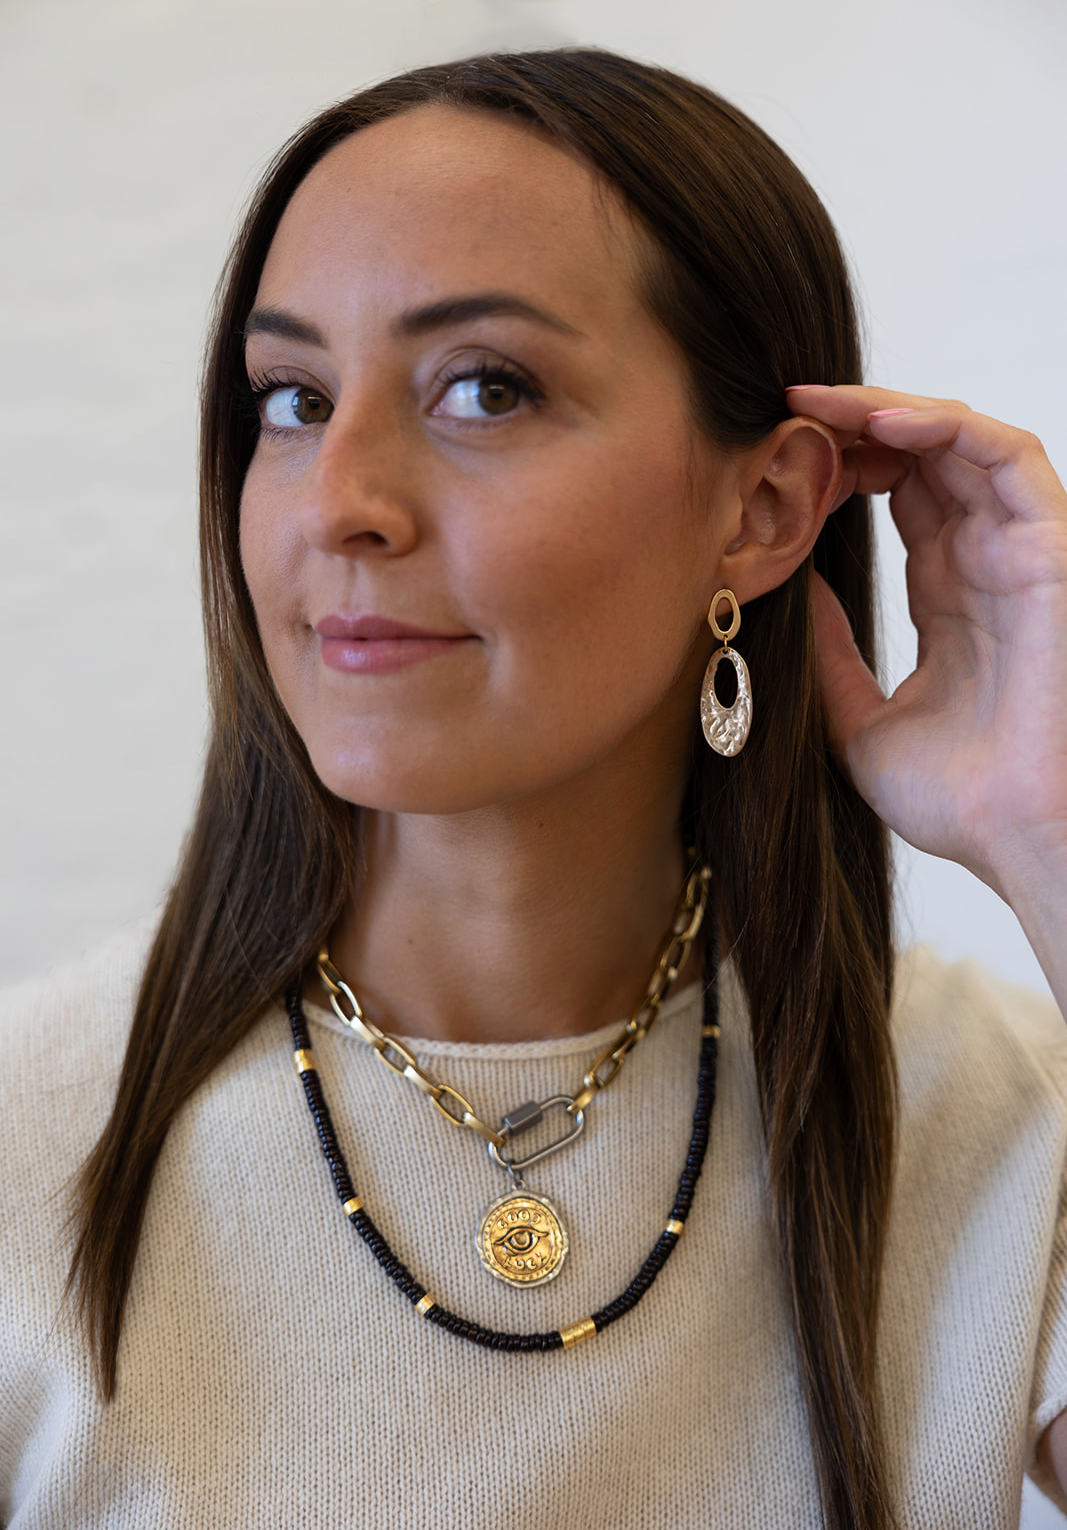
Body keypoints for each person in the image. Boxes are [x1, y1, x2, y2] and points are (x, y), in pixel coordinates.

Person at [1, 46, 1065, 1530]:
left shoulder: (995, 1114)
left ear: (762, 509)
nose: (340, 502)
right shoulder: (28, 1128)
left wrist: (1048, 837)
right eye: (292, 398)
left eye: (483, 388)